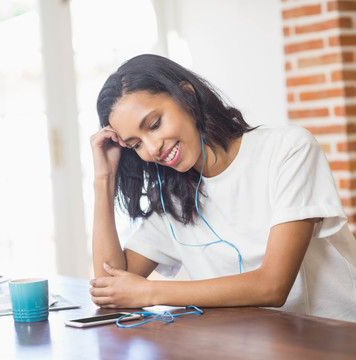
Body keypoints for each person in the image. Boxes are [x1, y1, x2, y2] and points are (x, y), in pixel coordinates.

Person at [89, 53, 356, 322]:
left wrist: (150, 293)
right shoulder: (174, 200)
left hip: (335, 339)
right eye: (136, 144)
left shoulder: (289, 150)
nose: (152, 147)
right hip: (251, 343)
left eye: (155, 124)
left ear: (187, 97)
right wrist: (104, 179)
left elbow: (273, 286)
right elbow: (110, 288)